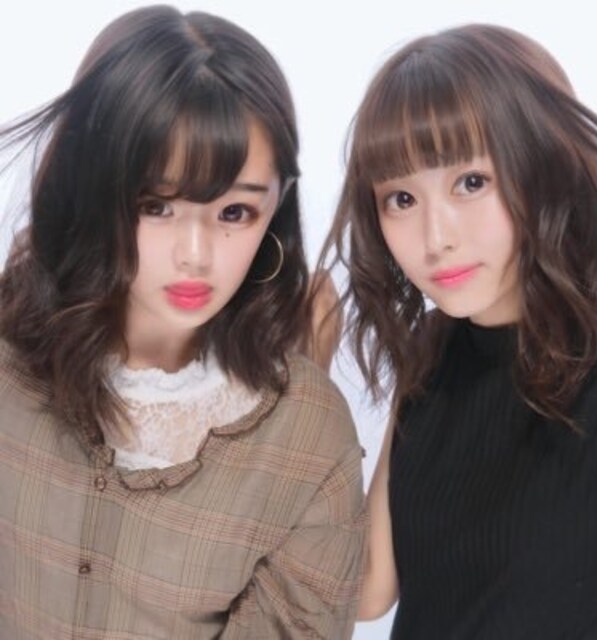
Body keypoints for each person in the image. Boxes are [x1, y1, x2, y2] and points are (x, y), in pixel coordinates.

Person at [0, 6, 366, 639]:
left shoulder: (309, 437)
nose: (196, 255)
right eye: (156, 205)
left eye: (234, 213)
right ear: (90, 186)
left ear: (276, 209)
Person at [318, 23, 597, 638]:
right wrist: (303, 392)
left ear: (544, 165)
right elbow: (362, 588)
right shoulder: (433, 351)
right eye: (401, 199)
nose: (435, 237)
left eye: (471, 183)